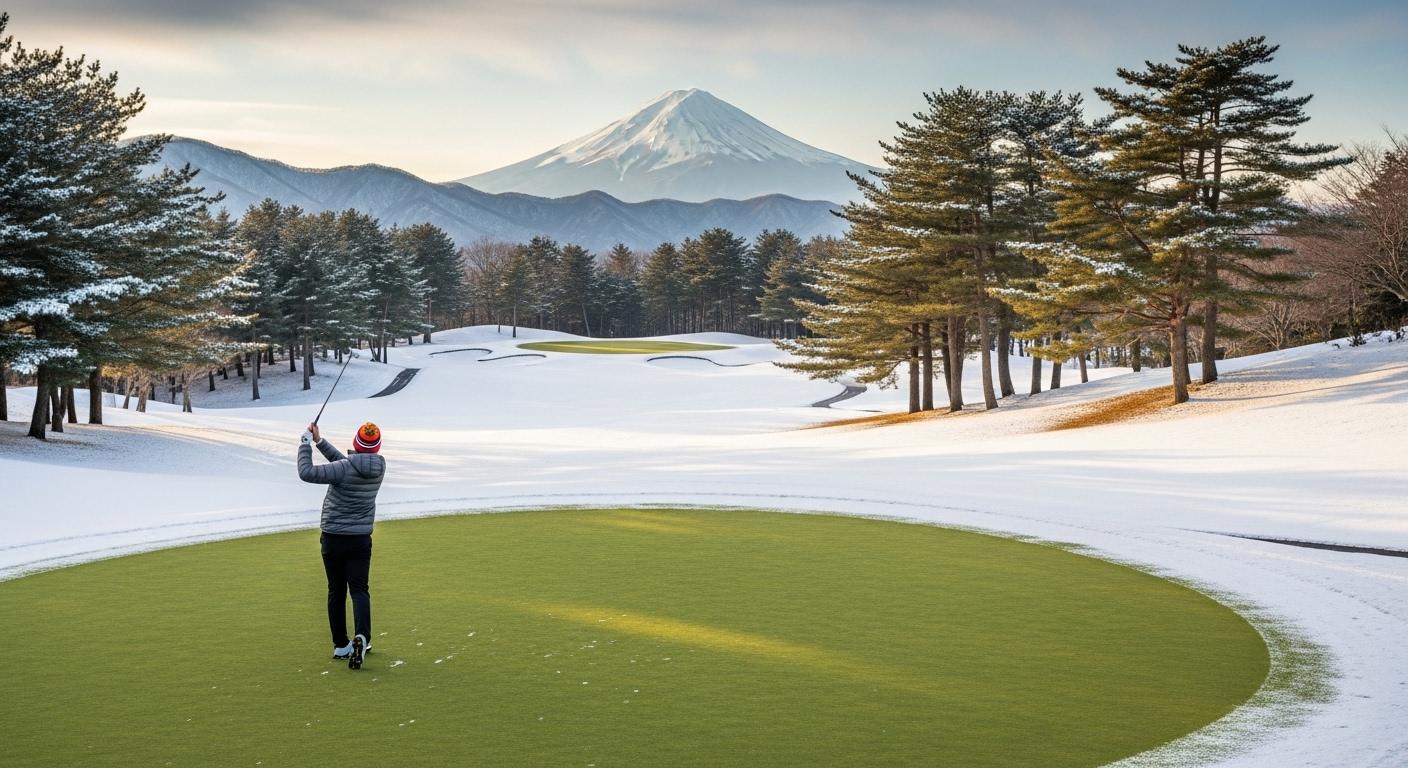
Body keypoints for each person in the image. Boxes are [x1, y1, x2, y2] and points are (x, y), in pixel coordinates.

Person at [298, 420, 386, 670]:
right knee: (359, 590)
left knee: (336, 590)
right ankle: (362, 637)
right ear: (377, 447)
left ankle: (341, 645)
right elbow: (345, 464)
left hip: (333, 538)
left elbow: (307, 472)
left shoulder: (344, 469)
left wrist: (305, 444)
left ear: (356, 443)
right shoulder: (380, 467)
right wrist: (320, 441)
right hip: (360, 539)